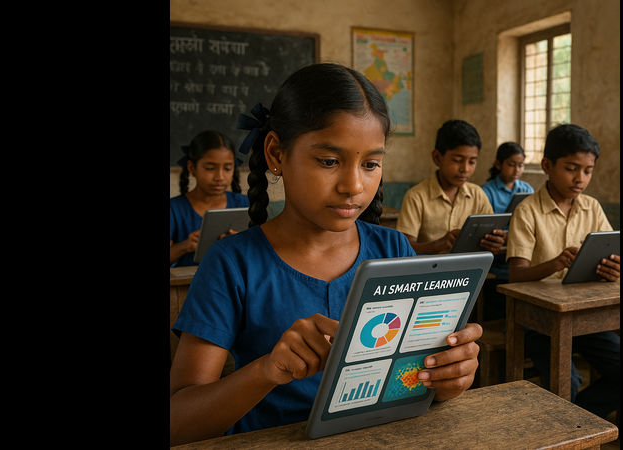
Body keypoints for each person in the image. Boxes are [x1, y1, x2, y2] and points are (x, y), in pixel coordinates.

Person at [169, 63, 483, 446]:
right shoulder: (231, 264)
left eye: (370, 164)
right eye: (329, 161)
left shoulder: (395, 252)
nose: (353, 185)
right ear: (276, 154)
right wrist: (267, 370)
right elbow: (179, 421)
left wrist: (449, 376)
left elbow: (415, 381)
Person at [506, 123, 620, 419]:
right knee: (569, 380)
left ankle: (574, 421)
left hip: (583, 316)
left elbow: (610, 252)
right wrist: (556, 263)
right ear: (547, 165)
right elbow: (516, 274)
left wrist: (612, 268)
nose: (580, 178)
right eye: (571, 168)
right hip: (538, 321)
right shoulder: (527, 211)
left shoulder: (592, 208)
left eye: (588, 170)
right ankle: (566, 424)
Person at [395, 120, 505, 255]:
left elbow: (489, 239)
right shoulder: (416, 197)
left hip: (469, 272)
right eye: (457, 160)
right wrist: (438, 245)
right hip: (430, 274)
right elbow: (404, 248)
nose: (465, 169)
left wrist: (493, 243)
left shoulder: (478, 195)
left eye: (472, 162)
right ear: (437, 158)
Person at [169, 130, 249, 267]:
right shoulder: (174, 208)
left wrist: (240, 243)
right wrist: (185, 246)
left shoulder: (244, 203)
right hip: (187, 285)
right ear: (192, 168)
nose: (220, 177)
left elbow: (261, 253)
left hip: (231, 284)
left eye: (228, 168)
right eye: (210, 168)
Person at [479, 142, 535, 320]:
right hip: (497, 255)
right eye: (511, 164)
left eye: (521, 165)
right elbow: (484, 229)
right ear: (498, 164)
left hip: (521, 249)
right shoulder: (486, 192)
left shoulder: (527, 189)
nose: (517, 170)